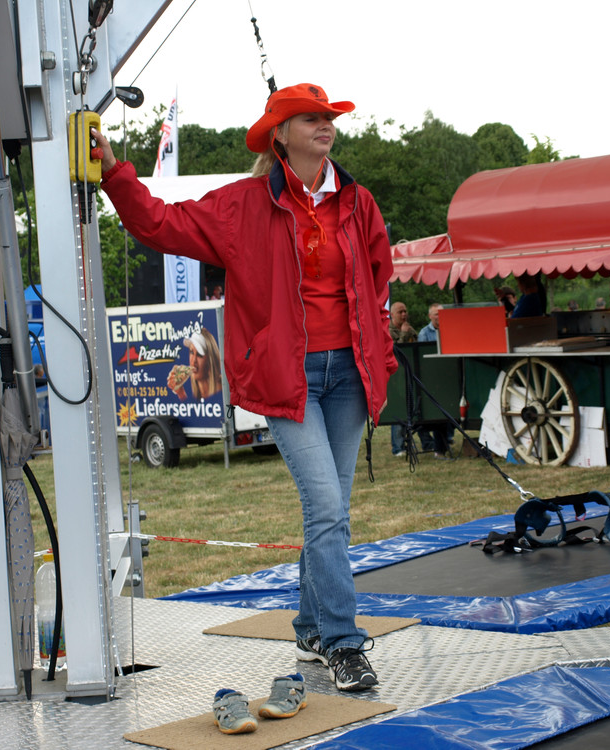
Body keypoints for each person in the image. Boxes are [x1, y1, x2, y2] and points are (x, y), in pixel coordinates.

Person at [95, 82, 394, 692]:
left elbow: (379, 280)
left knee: (330, 512)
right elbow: (159, 222)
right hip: (288, 379)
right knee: (329, 508)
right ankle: (343, 642)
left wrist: (381, 356)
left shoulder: (359, 202)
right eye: (309, 118)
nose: (324, 125)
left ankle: (311, 628)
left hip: (349, 377)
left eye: (328, 117)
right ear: (280, 135)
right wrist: (114, 175)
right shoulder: (241, 205)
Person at [417, 303, 453, 458]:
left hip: (449, 375)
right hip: (432, 378)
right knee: (436, 413)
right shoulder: (424, 333)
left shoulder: (451, 329)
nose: (439, 317)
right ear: (430, 316)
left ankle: (445, 443)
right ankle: (438, 449)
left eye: (441, 314)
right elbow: (422, 357)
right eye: (436, 314)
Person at [388, 301, 416, 457]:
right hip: (395, 378)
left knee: (412, 409)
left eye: (405, 311)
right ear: (392, 315)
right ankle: (397, 447)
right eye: (400, 312)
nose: (404, 314)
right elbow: (394, 351)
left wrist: (408, 333)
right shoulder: (388, 331)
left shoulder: (410, 330)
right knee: (398, 410)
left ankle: (413, 442)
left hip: (410, 376)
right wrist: (404, 334)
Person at [170, 328, 223, 400]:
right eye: (191, 352)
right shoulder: (196, 394)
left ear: (210, 361)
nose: (194, 360)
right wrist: (180, 392)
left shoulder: (224, 390)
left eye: (199, 355)